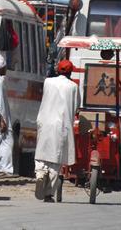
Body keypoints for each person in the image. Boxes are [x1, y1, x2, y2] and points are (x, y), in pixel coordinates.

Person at [34, 59, 80, 202]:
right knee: (56, 160)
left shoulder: (48, 81)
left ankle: (40, 174)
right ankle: (48, 194)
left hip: (45, 121)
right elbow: (77, 105)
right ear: (70, 72)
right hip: (61, 125)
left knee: (41, 153)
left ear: (58, 70)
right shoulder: (73, 86)